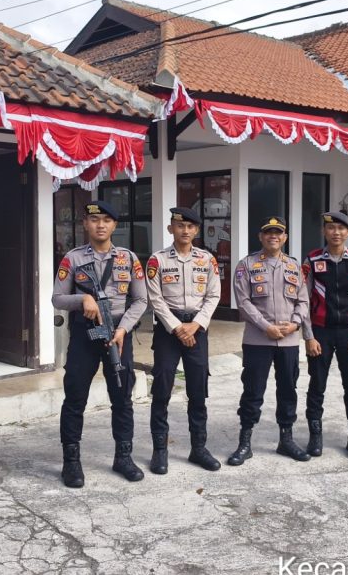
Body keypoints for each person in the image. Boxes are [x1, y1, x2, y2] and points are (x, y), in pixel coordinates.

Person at [52, 200, 148, 487]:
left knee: (122, 398)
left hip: (118, 334)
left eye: (107, 220)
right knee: (75, 398)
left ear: (115, 225)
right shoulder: (73, 258)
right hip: (85, 333)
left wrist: (123, 330)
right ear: (86, 224)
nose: (101, 225)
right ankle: (71, 462)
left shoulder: (129, 259)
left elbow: (141, 299)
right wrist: (83, 299)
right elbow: (57, 298)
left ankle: (123, 457)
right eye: (95, 220)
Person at [227, 216, 311, 466]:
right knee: (253, 391)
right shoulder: (247, 265)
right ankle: (245, 443)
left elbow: (303, 300)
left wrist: (295, 323)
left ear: (284, 237)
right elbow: (243, 302)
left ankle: (286, 440)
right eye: (268, 232)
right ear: (260, 237)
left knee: (288, 390)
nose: (273, 236)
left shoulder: (294, 266)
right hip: (257, 340)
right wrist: (266, 327)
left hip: (288, 341)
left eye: (278, 233)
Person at [145, 207, 222, 474]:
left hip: (197, 328)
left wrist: (196, 325)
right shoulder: (157, 260)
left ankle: (198, 448)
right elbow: (155, 299)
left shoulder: (207, 259)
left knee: (198, 389)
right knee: (163, 388)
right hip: (169, 330)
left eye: (190, 226)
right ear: (171, 229)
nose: (185, 231)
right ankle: (160, 450)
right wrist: (178, 328)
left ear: (197, 230)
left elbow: (213, 296)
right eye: (180, 226)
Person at [301, 211, 348, 459]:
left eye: (341, 228)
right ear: (324, 231)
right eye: (331, 228)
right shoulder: (311, 260)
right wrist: (309, 336)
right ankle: (315, 437)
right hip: (320, 332)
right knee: (316, 385)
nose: (336, 233)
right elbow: (304, 298)